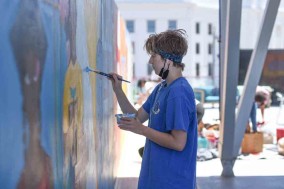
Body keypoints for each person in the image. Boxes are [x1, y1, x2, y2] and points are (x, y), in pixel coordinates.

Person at [109, 29, 197, 189]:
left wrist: (141, 130)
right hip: (155, 179)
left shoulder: (179, 93)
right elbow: (137, 117)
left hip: (172, 182)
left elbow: (178, 143)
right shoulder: (161, 88)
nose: (150, 61)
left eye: (154, 56)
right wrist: (118, 90)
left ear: (168, 61)